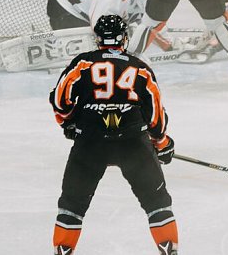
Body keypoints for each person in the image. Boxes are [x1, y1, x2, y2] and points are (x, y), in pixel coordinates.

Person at [49, 14, 178, 255]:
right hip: (133, 145)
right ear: (125, 38)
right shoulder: (139, 68)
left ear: (97, 39)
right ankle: (170, 252)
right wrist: (161, 141)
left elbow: (60, 101)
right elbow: (155, 114)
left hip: (90, 144)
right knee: (157, 203)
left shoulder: (83, 64)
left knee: (71, 206)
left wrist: (68, 123)